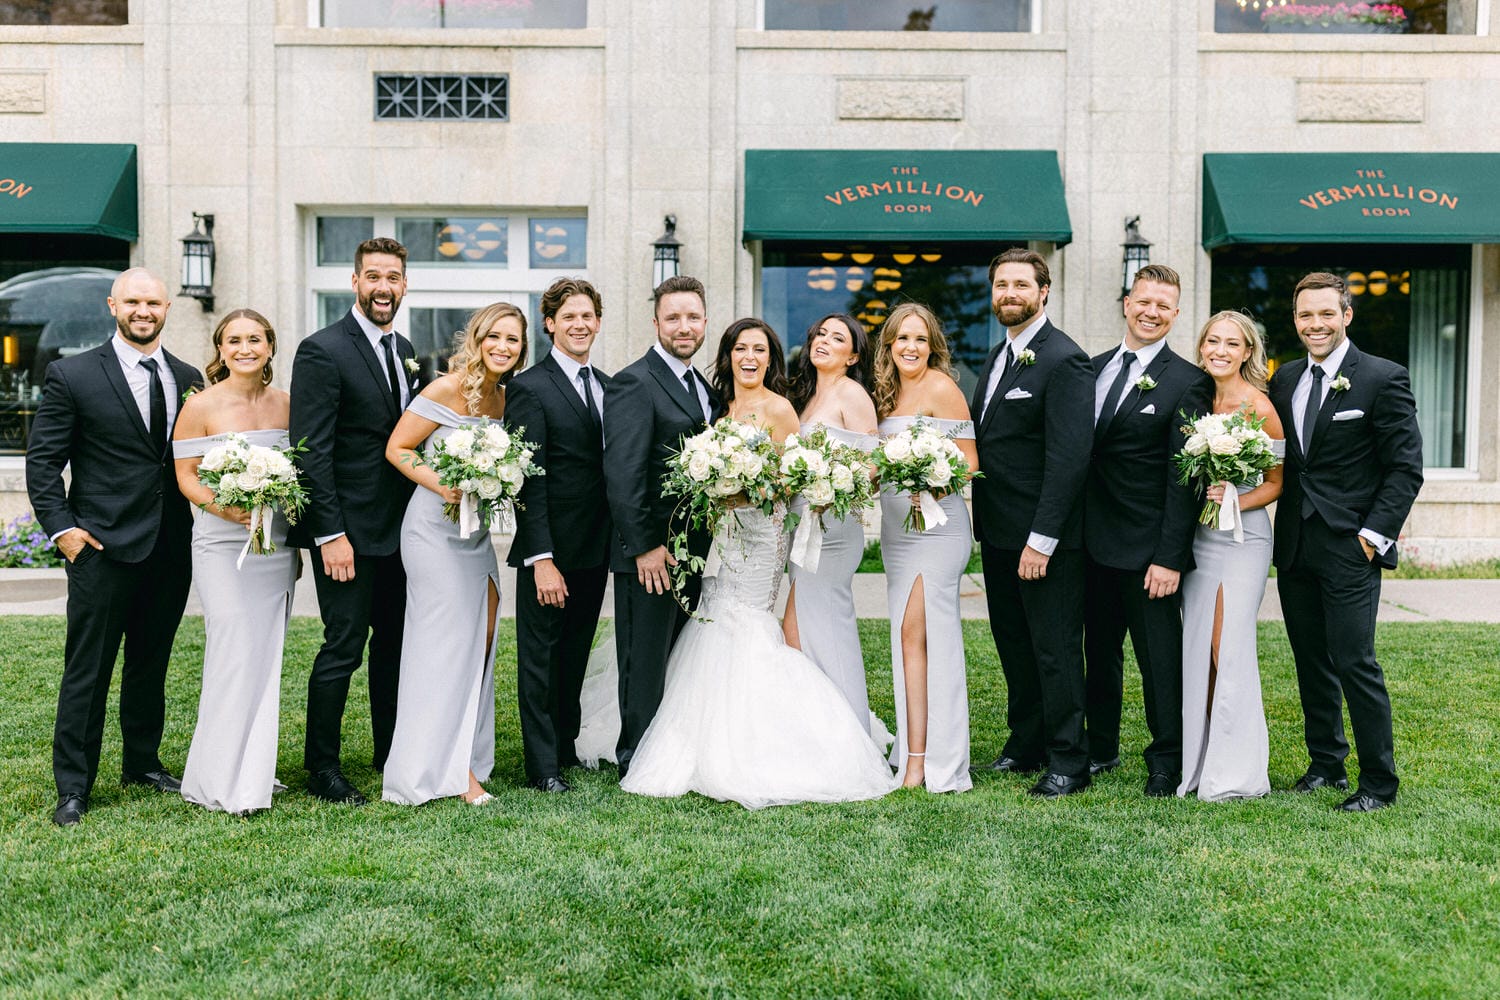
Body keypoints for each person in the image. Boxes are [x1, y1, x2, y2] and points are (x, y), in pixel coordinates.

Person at [620, 319, 896, 809]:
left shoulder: (780, 408)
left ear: (771, 359)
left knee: (747, 624)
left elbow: (791, 483)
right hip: (721, 537)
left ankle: (775, 740)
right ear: (728, 355)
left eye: (760, 349)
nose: (750, 356)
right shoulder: (717, 407)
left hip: (761, 537)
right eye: (740, 348)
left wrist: (743, 490)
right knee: (712, 616)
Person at [26, 267, 202, 826]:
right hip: (99, 547)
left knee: (150, 665)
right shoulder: (72, 374)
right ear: (113, 306)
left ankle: (142, 764)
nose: (142, 311)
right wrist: (64, 531)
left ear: (167, 307)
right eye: (132, 302)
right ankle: (73, 787)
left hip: (170, 547)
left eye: (151, 301)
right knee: (89, 670)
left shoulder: (189, 376)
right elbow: (43, 462)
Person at [1269, 272, 1423, 813]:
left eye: (1326, 314)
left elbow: (1405, 469)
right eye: (1306, 315)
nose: (1316, 324)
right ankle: (1326, 764)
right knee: (1311, 659)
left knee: (1355, 660)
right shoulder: (1284, 379)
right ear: (1296, 320)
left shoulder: (1383, 377)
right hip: (1293, 545)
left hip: (1350, 545)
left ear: (1346, 315)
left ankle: (1379, 782)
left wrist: (1371, 537)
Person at [289, 236, 420, 805]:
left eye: (393, 277)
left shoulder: (406, 348)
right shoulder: (322, 350)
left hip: (401, 532)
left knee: (393, 645)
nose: (383, 288)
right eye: (373, 277)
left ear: (404, 285)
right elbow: (310, 449)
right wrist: (329, 534)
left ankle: (390, 750)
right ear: (356, 283)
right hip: (347, 532)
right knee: (342, 645)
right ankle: (322, 767)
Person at [381, 303, 527, 806]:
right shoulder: (445, 387)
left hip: (476, 535)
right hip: (433, 530)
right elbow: (398, 449)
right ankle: (443, 771)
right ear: (478, 339)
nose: (504, 347)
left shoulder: (504, 399)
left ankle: (464, 749)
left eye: (513, 339)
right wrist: (445, 484)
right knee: (441, 645)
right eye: (495, 337)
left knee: (483, 639)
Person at [1082, 264, 1214, 797]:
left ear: (1176, 315)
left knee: (1160, 661)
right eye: (1144, 301)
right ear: (1126, 302)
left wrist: (1170, 556)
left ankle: (1167, 759)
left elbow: (1185, 479)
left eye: (1164, 305)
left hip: (1149, 551)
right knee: (1099, 651)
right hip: (1088, 542)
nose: (1151, 312)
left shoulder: (1189, 381)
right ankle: (1100, 748)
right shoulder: (1088, 369)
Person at [969, 248, 1094, 798]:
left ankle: (1069, 760)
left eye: (1021, 284)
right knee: (1013, 642)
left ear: (1045, 292)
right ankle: (1026, 744)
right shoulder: (999, 355)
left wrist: (1041, 540)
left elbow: (1069, 458)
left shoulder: (1064, 359)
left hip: (1045, 540)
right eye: (1001, 284)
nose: (1009, 293)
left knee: (1055, 647)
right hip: (997, 531)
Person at [172, 309, 299, 815]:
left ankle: (255, 768)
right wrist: (227, 509)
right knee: (232, 650)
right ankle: (219, 778)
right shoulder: (200, 405)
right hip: (222, 547)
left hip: (276, 546)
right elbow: (185, 475)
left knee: (267, 655)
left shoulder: (288, 405)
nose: (245, 348)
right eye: (234, 340)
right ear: (220, 349)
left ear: (269, 346)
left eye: (255, 339)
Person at [602, 275, 720, 778]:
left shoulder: (705, 388)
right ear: (656, 323)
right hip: (652, 554)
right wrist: (644, 546)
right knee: (644, 659)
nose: (683, 326)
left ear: (705, 322)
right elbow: (622, 472)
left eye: (692, 317)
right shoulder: (634, 381)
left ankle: (671, 747)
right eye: (673, 317)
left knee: (679, 655)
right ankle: (635, 754)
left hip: (697, 548)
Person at [505, 279, 612, 794]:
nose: (579, 324)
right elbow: (528, 478)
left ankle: (566, 747)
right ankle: (542, 766)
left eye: (587, 315)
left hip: (595, 547)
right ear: (549, 323)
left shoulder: (610, 385)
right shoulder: (529, 387)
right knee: (541, 658)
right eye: (568, 315)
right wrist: (541, 558)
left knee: (575, 652)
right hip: (550, 549)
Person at [872, 303, 978, 793]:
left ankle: (934, 761)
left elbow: (970, 462)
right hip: (898, 533)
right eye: (901, 339)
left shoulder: (941, 387)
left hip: (939, 529)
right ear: (889, 346)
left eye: (919, 338)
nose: (910, 347)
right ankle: (913, 752)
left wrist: (927, 477)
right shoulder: (884, 394)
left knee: (923, 633)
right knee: (906, 638)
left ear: (931, 344)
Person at [1179, 311, 1284, 802]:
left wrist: (1233, 502)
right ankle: (1203, 761)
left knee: (1228, 646)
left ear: (1247, 352)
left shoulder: (1258, 406)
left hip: (1244, 540)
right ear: (1202, 347)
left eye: (1231, 343)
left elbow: (1276, 483)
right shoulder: (1199, 400)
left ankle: (1237, 771)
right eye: (1212, 341)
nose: (1220, 350)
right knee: (1200, 648)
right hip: (1201, 538)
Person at [782, 313, 888, 741]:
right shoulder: (803, 396)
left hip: (833, 528)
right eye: (820, 332)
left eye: (837, 337)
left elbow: (875, 461)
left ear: (853, 355)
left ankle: (847, 737)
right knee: (799, 630)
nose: (824, 340)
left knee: (817, 625)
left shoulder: (852, 393)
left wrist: (833, 487)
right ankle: (816, 732)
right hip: (800, 526)